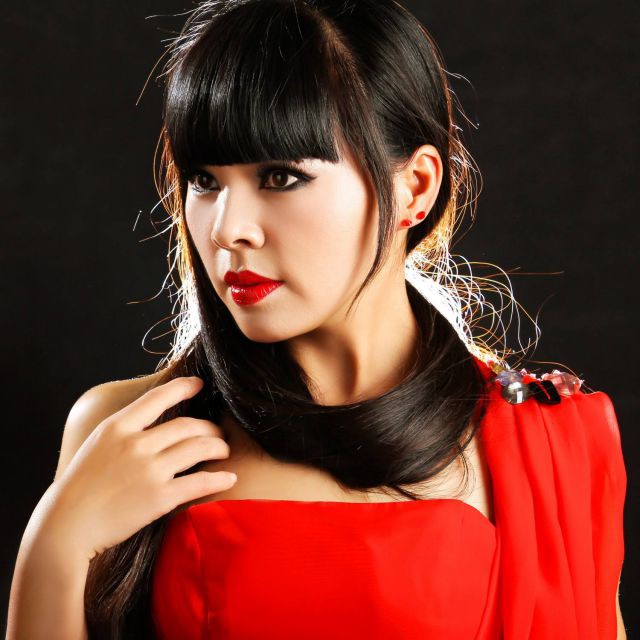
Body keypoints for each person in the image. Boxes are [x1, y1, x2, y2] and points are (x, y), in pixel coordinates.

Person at [7, 1, 627, 638]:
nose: (226, 230)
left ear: (415, 187)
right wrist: (57, 542)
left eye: (280, 176)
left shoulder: (550, 449)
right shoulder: (126, 429)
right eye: (204, 180)